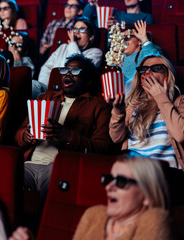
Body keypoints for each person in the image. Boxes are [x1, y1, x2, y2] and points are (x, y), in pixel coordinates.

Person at [15, 55, 112, 224]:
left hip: (60, 166)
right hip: (29, 164)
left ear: (88, 81)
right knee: (6, 179)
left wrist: (68, 136)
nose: (68, 74)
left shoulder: (98, 105)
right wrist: (26, 135)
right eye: (65, 70)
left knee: (49, 196)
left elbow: (103, 148)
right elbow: (18, 134)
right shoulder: (45, 98)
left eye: (75, 71)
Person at [109, 54, 184, 181]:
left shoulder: (183, 102)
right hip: (135, 172)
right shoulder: (133, 107)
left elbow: (180, 134)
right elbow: (116, 138)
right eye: (143, 70)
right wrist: (118, 112)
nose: (148, 72)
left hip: (166, 174)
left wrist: (160, 96)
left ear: (168, 75)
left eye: (156, 68)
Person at [73, 156, 171, 239]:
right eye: (109, 179)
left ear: (147, 196)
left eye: (121, 181)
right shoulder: (93, 215)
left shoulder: (154, 221)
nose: (108, 187)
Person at [34, 17, 102, 98]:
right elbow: (46, 68)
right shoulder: (63, 47)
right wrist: (46, 88)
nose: (76, 32)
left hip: (73, 92)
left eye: (82, 29)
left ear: (91, 36)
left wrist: (73, 44)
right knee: (31, 85)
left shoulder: (96, 52)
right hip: (50, 88)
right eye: (75, 29)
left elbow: (78, 68)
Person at [121, 20, 161, 90]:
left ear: (139, 41)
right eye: (121, 40)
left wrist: (144, 40)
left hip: (138, 91)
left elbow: (156, 59)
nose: (123, 42)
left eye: (127, 38)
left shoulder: (146, 52)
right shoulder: (119, 57)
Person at [83, 0, 154, 27]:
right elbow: (85, 21)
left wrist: (120, 27)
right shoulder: (115, 14)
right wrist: (91, 5)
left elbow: (144, 35)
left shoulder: (146, 17)